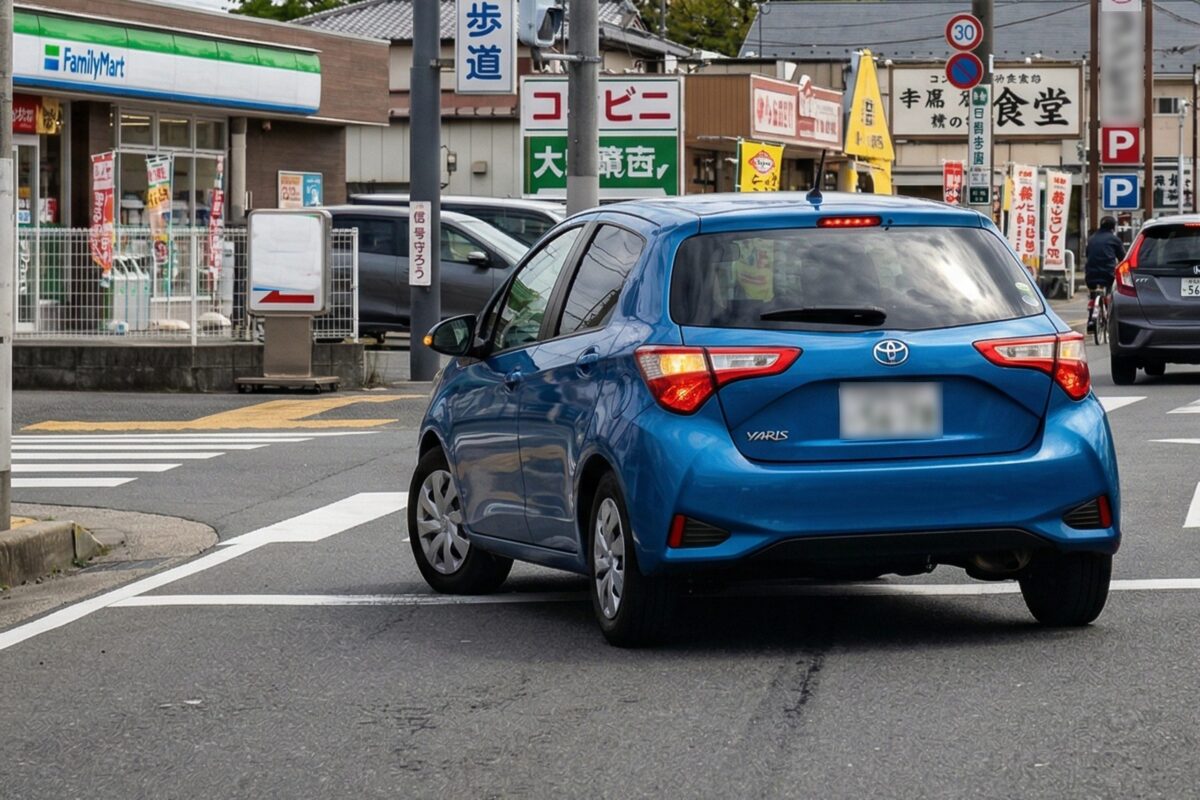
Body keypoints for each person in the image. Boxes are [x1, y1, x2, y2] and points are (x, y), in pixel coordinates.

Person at [1083, 216, 1126, 332]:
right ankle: (1107, 314)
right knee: (1109, 293)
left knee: (1093, 294)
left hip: (1091, 274)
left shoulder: (1092, 239)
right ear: (1113, 227)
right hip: (1108, 274)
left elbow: (1088, 255)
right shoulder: (1114, 240)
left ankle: (1091, 319)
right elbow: (1122, 258)